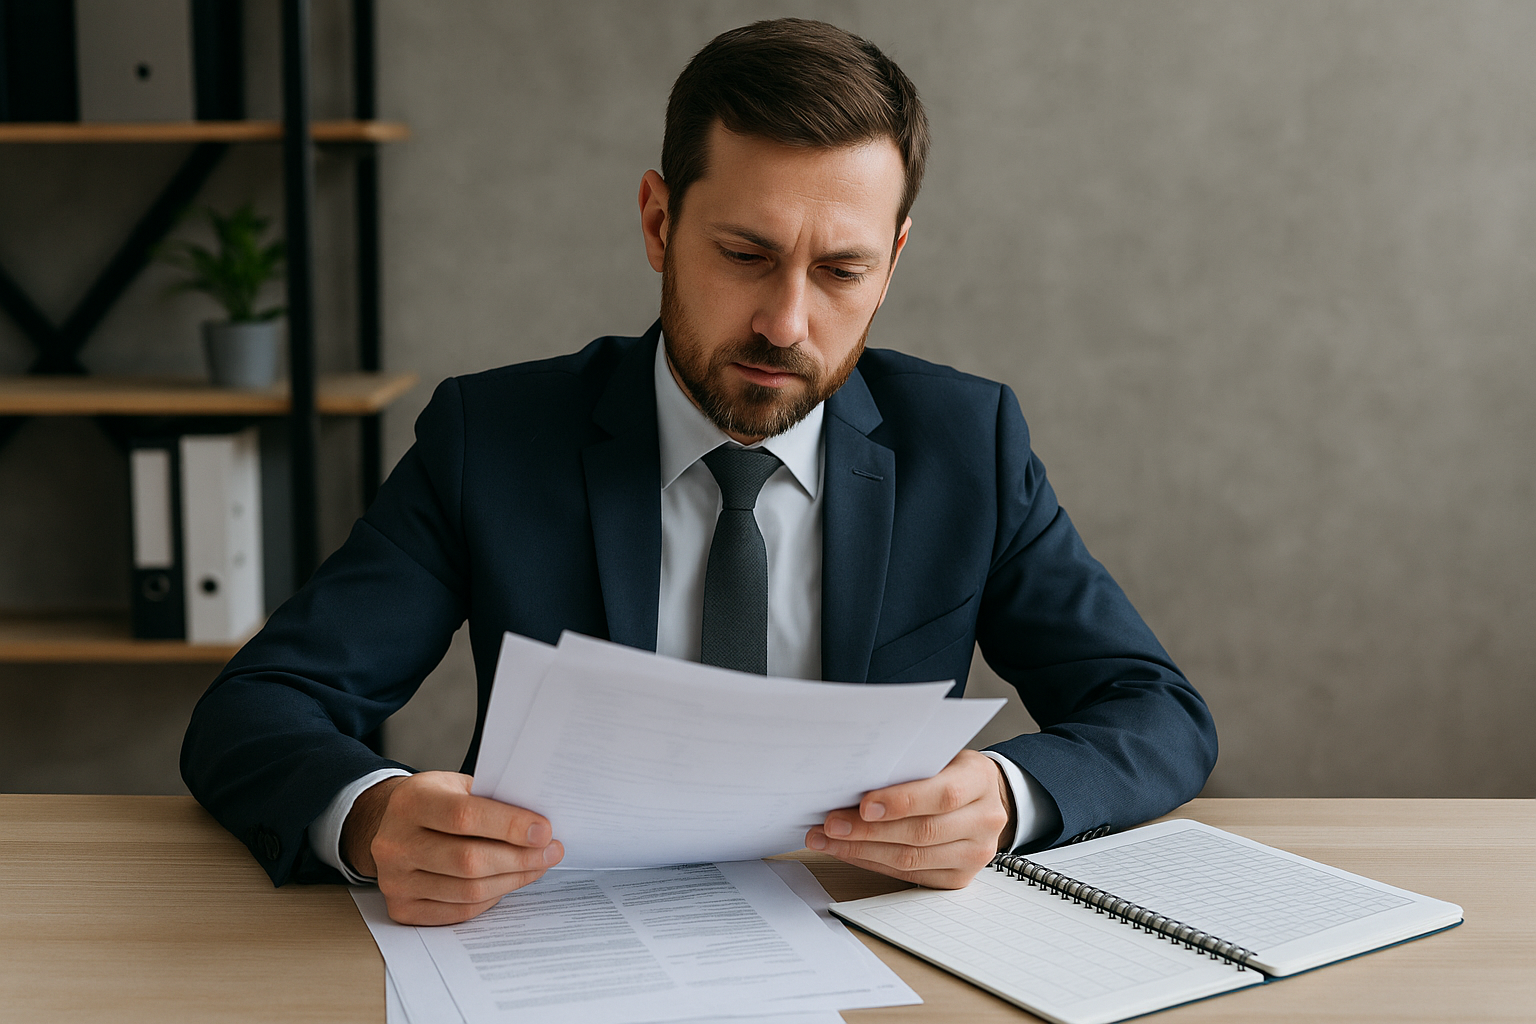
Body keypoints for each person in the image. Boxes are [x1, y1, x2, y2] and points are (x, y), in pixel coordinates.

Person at [182, 18, 1216, 926]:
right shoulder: (490, 438)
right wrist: (368, 817)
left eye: (842, 271)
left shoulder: (967, 442)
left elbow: (1153, 708)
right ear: (659, 222)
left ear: (894, 262)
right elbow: (258, 708)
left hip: (876, 954)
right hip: (561, 950)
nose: (785, 322)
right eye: (746, 254)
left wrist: (1005, 794)